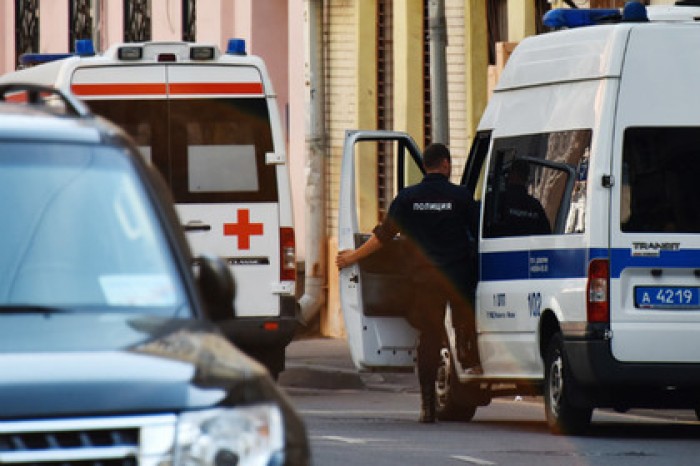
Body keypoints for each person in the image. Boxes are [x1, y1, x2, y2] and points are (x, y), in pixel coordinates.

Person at [336, 143, 480, 423]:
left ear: (425, 166)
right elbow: (478, 233)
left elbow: (383, 236)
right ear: (446, 165)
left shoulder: (408, 198)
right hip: (456, 278)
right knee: (466, 320)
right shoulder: (461, 196)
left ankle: (428, 405)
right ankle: (468, 356)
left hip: (425, 280)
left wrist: (353, 257)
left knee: (429, 337)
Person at [488, 159, 551, 237]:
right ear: (526, 178)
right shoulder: (535, 206)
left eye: (509, 173)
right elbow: (546, 236)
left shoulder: (497, 200)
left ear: (513, 174)